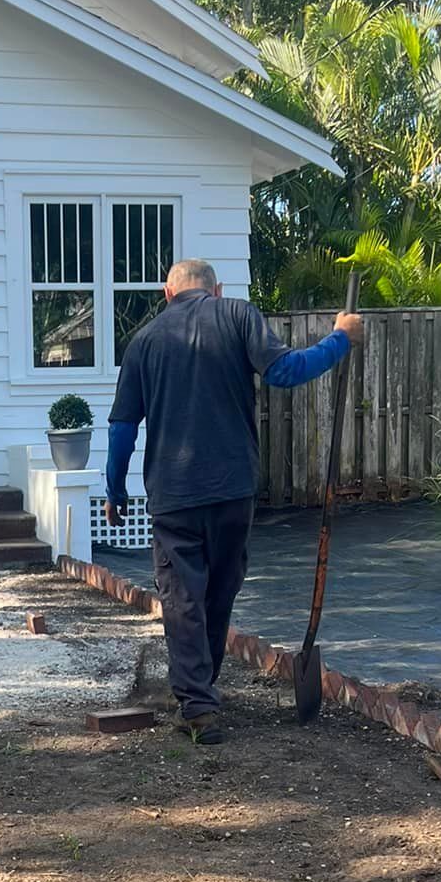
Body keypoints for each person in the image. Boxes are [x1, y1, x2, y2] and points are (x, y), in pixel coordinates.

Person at [105, 259, 361, 743]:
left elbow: (122, 428)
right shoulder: (239, 316)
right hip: (233, 488)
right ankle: (201, 689)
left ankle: (198, 704)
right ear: (215, 289)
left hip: (174, 495)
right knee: (219, 589)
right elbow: (286, 370)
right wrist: (339, 338)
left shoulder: (145, 340)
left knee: (183, 597)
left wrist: (115, 490)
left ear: (167, 292)